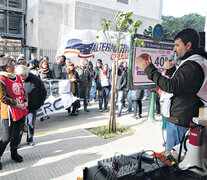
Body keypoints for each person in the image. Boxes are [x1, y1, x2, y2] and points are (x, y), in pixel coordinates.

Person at [137, 28, 207, 149]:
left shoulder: (192, 65)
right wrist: (171, 71)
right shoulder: (195, 62)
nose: (174, 48)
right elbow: (183, 84)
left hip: (180, 121)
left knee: (174, 158)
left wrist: (149, 69)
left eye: (177, 45)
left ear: (188, 45)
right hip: (181, 118)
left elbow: (171, 86)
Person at [0, 57, 28, 169]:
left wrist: (25, 101)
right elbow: (2, 97)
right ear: (4, 67)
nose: (13, 67)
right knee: (7, 137)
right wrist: (17, 104)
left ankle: (14, 153)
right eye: (11, 65)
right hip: (9, 112)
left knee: (17, 135)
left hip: (21, 110)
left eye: (14, 64)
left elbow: (23, 91)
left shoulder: (17, 77)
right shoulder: (1, 79)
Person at [16, 65, 47, 146]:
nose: (22, 78)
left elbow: (43, 92)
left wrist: (40, 103)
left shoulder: (35, 79)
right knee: (20, 124)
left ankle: (30, 139)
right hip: (20, 106)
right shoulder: (16, 79)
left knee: (30, 123)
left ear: (27, 73)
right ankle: (17, 141)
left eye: (23, 76)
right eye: (20, 76)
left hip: (33, 106)